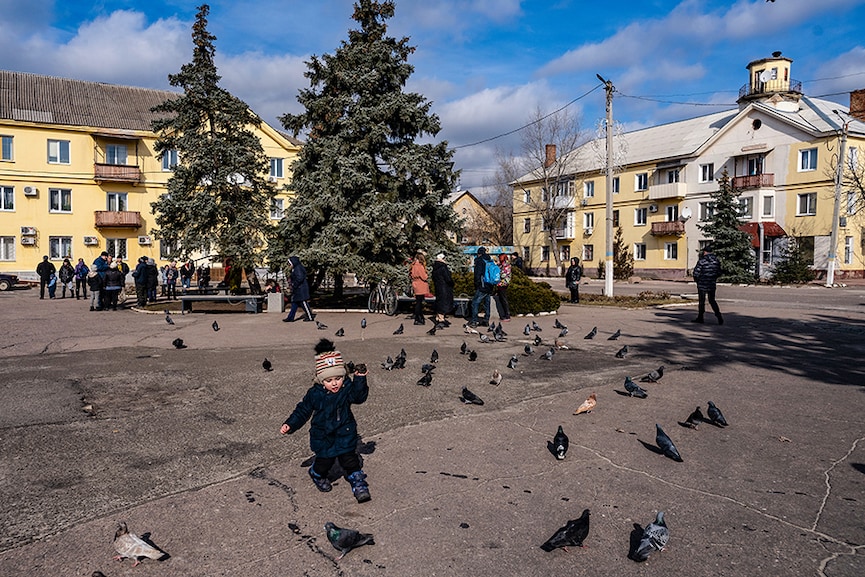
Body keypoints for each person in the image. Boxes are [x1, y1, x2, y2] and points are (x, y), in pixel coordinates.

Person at [280, 338, 371, 503]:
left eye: (338, 378)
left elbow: (359, 398)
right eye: (329, 380)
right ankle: (316, 473)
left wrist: (360, 379)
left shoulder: (346, 388)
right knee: (325, 462)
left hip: (345, 431)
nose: (334, 383)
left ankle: (357, 481)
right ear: (321, 380)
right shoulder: (315, 393)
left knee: (349, 459)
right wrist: (290, 424)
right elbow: (303, 410)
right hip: (323, 435)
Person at [692, 244, 723, 325]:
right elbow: (719, 272)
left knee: (701, 301)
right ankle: (719, 316)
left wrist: (697, 281)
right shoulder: (716, 261)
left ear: (705, 252)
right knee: (712, 300)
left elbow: (696, 273)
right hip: (712, 284)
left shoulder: (702, 261)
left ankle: (700, 317)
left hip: (702, 284)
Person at [283, 255, 315, 322]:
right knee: (294, 304)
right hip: (298, 289)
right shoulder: (295, 268)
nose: (289, 265)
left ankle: (310, 316)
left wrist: (294, 284)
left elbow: (299, 278)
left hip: (301, 289)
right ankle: (290, 318)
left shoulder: (298, 268)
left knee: (303, 303)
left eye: (289, 263)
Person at [469, 247, 493, 327]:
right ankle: (486, 320)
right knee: (487, 303)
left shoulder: (479, 261)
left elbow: (477, 274)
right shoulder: (490, 260)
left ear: (479, 253)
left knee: (475, 302)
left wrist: (476, 284)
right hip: (489, 285)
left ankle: (474, 321)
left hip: (482, 285)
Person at [431, 253, 454, 326]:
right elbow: (448, 278)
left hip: (438, 287)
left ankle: (438, 317)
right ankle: (441, 319)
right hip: (445, 287)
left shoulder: (435, 267)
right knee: (444, 302)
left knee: (439, 301)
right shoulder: (443, 267)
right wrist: (452, 283)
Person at [410, 252, 430, 325]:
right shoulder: (420, 266)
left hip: (415, 284)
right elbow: (424, 277)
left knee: (418, 302)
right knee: (419, 303)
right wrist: (426, 275)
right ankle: (418, 318)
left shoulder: (413, 265)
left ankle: (419, 317)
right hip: (420, 285)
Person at [493, 253, 511, 321]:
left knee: (503, 299)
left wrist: (498, 272)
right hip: (500, 283)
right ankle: (504, 314)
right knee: (501, 298)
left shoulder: (506, 265)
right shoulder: (502, 265)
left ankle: (507, 315)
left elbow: (503, 274)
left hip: (503, 283)